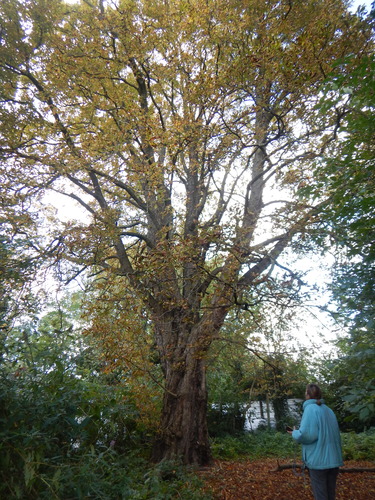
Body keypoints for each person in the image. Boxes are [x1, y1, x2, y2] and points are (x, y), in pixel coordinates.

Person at [288, 383, 343, 500]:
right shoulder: (328, 410)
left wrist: (294, 433)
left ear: (307, 395)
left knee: (321, 495)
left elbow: (307, 435)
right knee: (330, 494)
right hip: (334, 460)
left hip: (319, 461)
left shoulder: (310, 409)